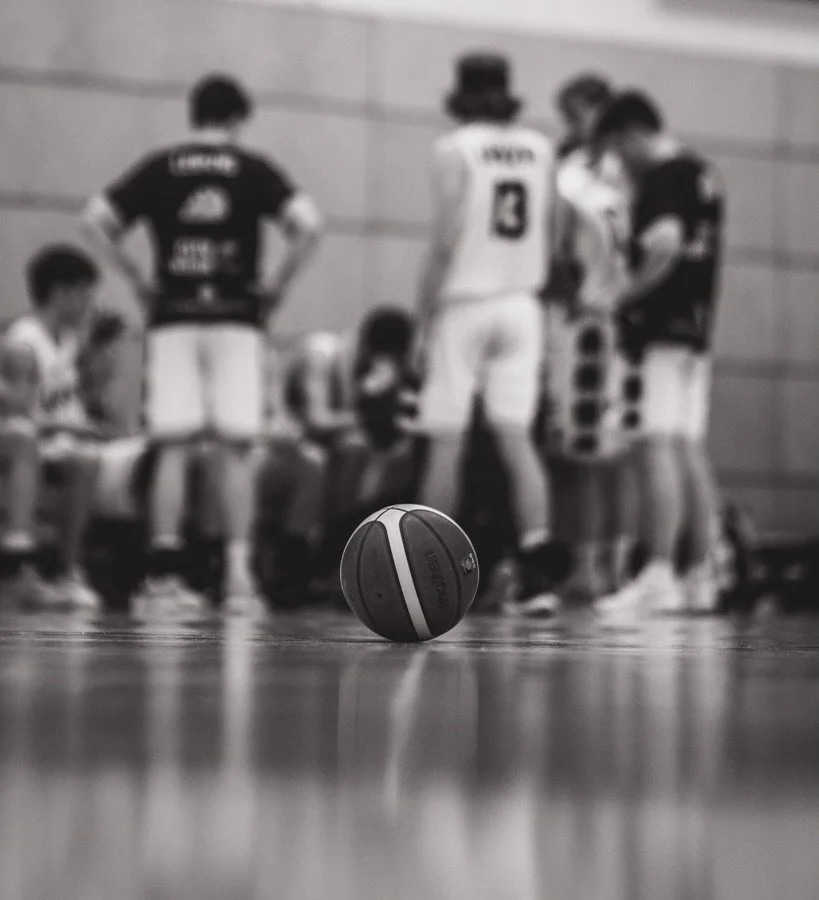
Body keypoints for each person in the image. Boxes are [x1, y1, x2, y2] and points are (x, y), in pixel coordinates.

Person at [82, 73, 323, 620]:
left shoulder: (161, 166)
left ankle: (163, 576)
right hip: (237, 317)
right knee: (237, 447)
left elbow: (94, 221)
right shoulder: (253, 169)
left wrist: (139, 280)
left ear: (196, 115)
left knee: (171, 443)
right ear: (238, 119)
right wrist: (275, 288)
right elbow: (309, 226)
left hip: (174, 316)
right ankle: (238, 578)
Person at [415, 52, 567, 617]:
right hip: (523, 303)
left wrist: (421, 316)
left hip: (466, 301)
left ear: (460, 98)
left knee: (445, 437)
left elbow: (447, 238)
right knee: (516, 437)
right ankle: (537, 573)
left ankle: (431, 573)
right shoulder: (541, 147)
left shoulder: (455, 148)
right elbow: (551, 238)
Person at [593, 90, 725, 614]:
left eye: (616, 150)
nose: (618, 163)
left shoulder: (666, 176)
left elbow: (665, 242)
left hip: (660, 331)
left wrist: (624, 292)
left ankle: (660, 571)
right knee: (688, 447)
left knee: (656, 446)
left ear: (630, 135)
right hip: (694, 331)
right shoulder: (701, 173)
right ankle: (703, 572)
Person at [543, 73, 640, 600]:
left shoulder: (584, 175)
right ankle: (597, 563)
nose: (572, 125)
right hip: (598, 322)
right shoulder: (613, 174)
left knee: (594, 453)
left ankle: (600, 565)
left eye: (578, 112)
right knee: (591, 451)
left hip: (589, 323)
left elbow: (558, 254)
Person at [0, 246, 104, 611]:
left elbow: (69, 404)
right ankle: (18, 565)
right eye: (85, 295)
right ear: (61, 292)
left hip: (52, 442)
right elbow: (17, 411)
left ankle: (68, 571)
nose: (90, 305)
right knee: (33, 441)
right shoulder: (22, 343)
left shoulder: (71, 342)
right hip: (22, 439)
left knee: (85, 460)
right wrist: (68, 426)